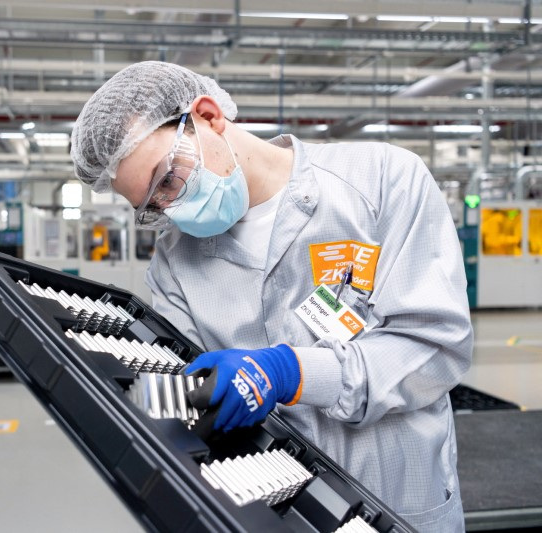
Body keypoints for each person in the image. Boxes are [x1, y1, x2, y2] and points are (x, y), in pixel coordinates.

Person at [70, 61, 473, 532]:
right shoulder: (175, 264)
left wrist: (288, 372)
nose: (172, 207)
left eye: (168, 178)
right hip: (278, 512)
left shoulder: (381, 180)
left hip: (402, 501)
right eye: (153, 205)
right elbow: (191, 399)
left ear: (209, 116)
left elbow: (433, 349)